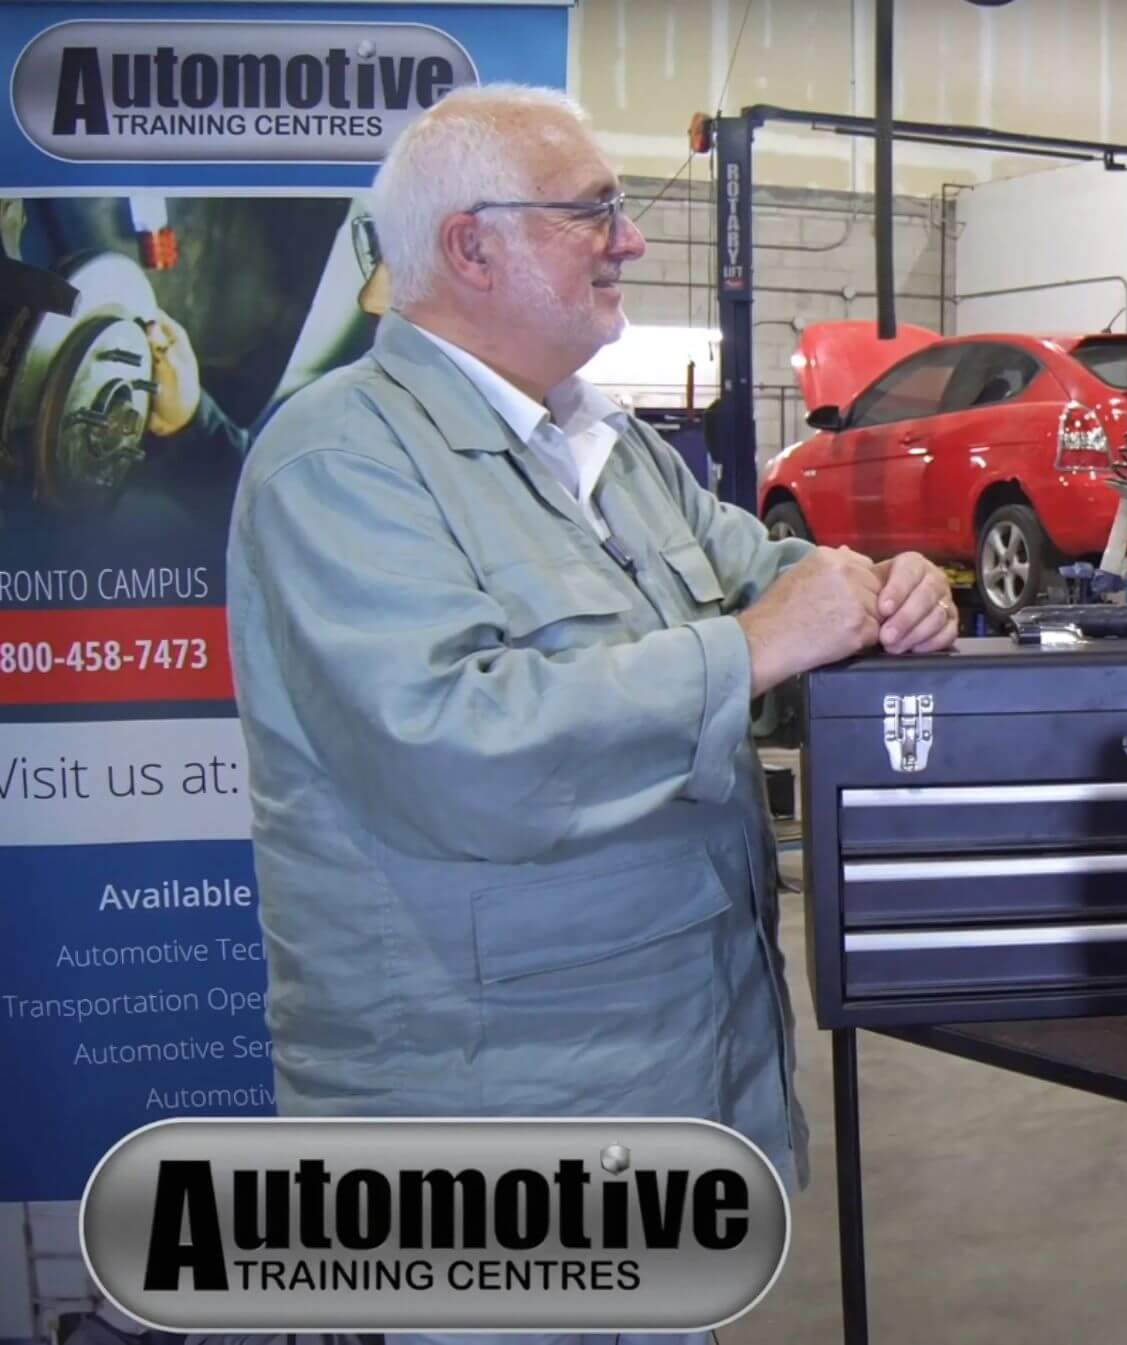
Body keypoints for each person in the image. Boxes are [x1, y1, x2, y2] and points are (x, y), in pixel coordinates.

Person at [225, 80, 955, 1332]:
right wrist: (752, 647)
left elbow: (771, 583)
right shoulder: (338, 463)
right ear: (472, 246)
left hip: (667, 1089)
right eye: (595, 213)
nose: (631, 240)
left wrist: (884, 592)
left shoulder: (611, 453)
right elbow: (454, 746)